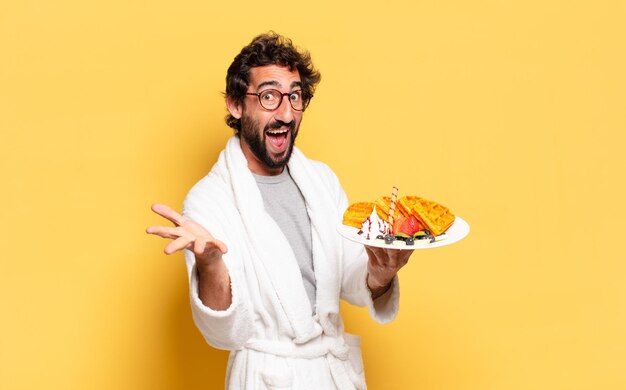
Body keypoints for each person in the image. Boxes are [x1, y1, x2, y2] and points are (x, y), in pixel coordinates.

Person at [147, 32, 413, 389]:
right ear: (236, 104)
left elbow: (350, 277)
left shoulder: (321, 180)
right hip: (267, 378)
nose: (286, 113)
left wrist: (380, 273)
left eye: (295, 96)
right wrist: (210, 265)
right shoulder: (210, 200)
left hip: (332, 374)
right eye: (269, 96)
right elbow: (226, 332)